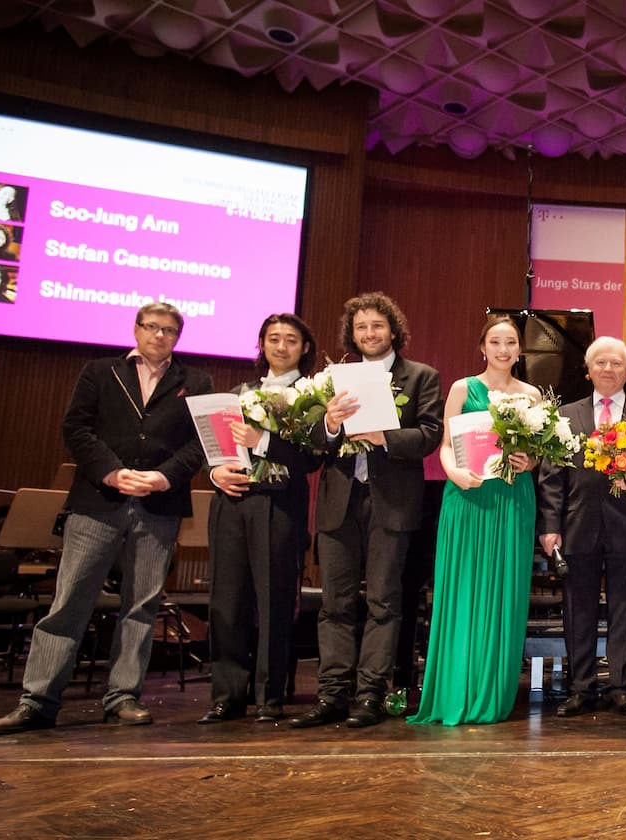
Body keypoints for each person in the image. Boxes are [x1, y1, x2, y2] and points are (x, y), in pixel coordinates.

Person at [0, 303, 212, 735]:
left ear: (177, 337)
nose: (159, 336)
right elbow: (77, 430)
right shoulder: (100, 371)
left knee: (142, 607)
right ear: (136, 329)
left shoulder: (195, 382)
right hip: (98, 502)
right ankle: (38, 701)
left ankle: (123, 697)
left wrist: (164, 477)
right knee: (68, 603)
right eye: (152, 327)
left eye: (169, 330)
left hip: (158, 506)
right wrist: (113, 471)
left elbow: (201, 443)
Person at [286, 293, 442, 730]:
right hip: (339, 502)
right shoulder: (333, 378)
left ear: (393, 329)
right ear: (351, 334)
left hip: (391, 503)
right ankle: (332, 694)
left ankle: (370, 693)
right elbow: (315, 444)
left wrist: (384, 436)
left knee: (383, 602)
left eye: (377, 325)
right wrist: (331, 423)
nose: (369, 333)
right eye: (361, 327)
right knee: (334, 605)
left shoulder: (420, 376)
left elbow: (429, 435)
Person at [410, 315, 542, 725]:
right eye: (496, 342)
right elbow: (446, 445)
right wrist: (453, 473)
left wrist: (528, 460)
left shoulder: (532, 395)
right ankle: (454, 690)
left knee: (504, 592)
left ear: (520, 350)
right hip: (467, 496)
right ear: (482, 347)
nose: (504, 349)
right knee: (463, 591)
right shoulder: (461, 388)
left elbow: (536, 455)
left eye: (511, 343)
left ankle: (491, 692)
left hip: (512, 499)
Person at [199, 314, 321, 724]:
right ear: (261, 344)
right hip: (231, 501)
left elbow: (312, 456)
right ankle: (227, 695)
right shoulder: (239, 392)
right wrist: (215, 472)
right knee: (227, 601)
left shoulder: (312, 396)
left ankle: (269, 697)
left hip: (280, 505)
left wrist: (263, 440)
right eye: (273, 338)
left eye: (290, 340)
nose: (281, 346)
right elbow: (212, 447)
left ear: (305, 348)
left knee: (274, 601)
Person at [538, 337, 626, 717]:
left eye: (616, 364)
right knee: (578, 609)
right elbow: (551, 476)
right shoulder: (564, 415)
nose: (608, 369)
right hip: (577, 525)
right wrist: (549, 526)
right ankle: (581, 687)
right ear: (588, 370)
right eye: (601, 363)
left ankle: (621, 686)